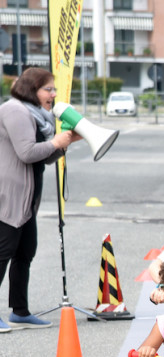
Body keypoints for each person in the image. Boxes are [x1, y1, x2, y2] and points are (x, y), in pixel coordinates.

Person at [0, 67, 82, 332]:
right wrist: (56, 142)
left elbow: (43, 157)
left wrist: (64, 143)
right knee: (3, 253)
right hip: (8, 198)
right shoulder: (16, 110)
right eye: (48, 88)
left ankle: (20, 311)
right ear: (31, 89)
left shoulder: (38, 115)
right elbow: (26, 152)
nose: (53, 94)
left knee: (25, 252)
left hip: (27, 199)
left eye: (53, 88)